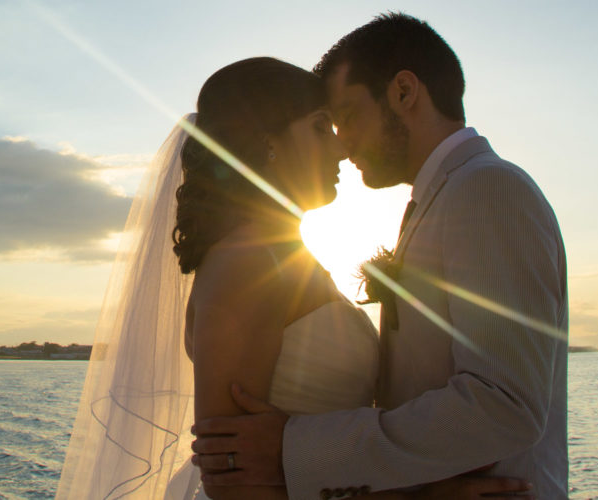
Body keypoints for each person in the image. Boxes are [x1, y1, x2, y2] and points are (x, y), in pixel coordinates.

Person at [56, 56, 531, 500]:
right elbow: (230, 477)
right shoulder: (247, 264)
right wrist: (415, 495)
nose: (342, 147)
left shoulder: (285, 256)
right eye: (321, 127)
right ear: (269, 143)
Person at [191, 15, 568, 498]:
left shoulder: (488, 189)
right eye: (323, 127)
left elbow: (505, 402)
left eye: (345, 117)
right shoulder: (437, 204)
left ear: (405, 92)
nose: (342, 145)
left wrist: (292, 449)